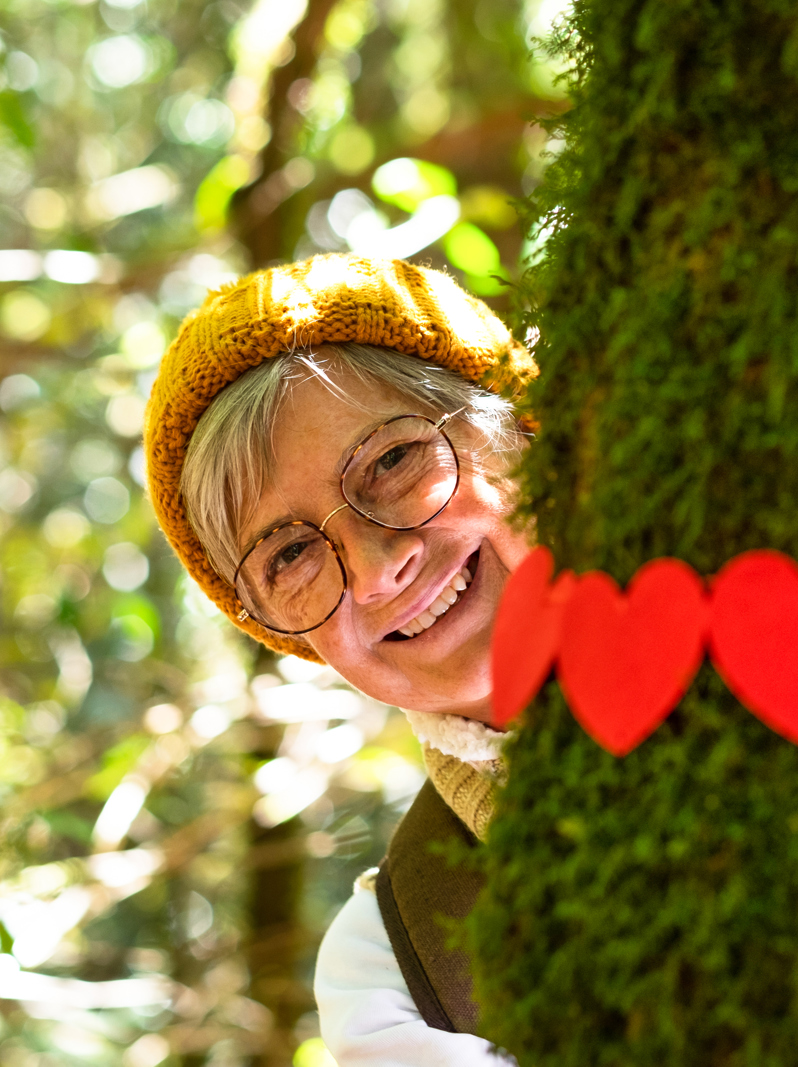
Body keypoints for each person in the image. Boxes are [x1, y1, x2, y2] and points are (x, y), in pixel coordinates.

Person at [144, 254, 534, 1063]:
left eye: (392, 461)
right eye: (288, 555)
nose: (375, 566)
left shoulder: (796, 592)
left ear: (516, 431)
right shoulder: (392, 970)